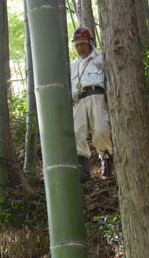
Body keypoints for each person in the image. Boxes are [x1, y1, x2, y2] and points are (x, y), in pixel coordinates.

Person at [70, 27, 114, 181]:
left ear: (90, 42)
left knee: (101, 130)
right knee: (76, 132)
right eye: (77, 45)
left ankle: (106, 159)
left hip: (97, 96)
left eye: (82, 44)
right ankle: (83, 167)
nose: (80, 48)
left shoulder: (101, 60)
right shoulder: (73, 65)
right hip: (79, 99)